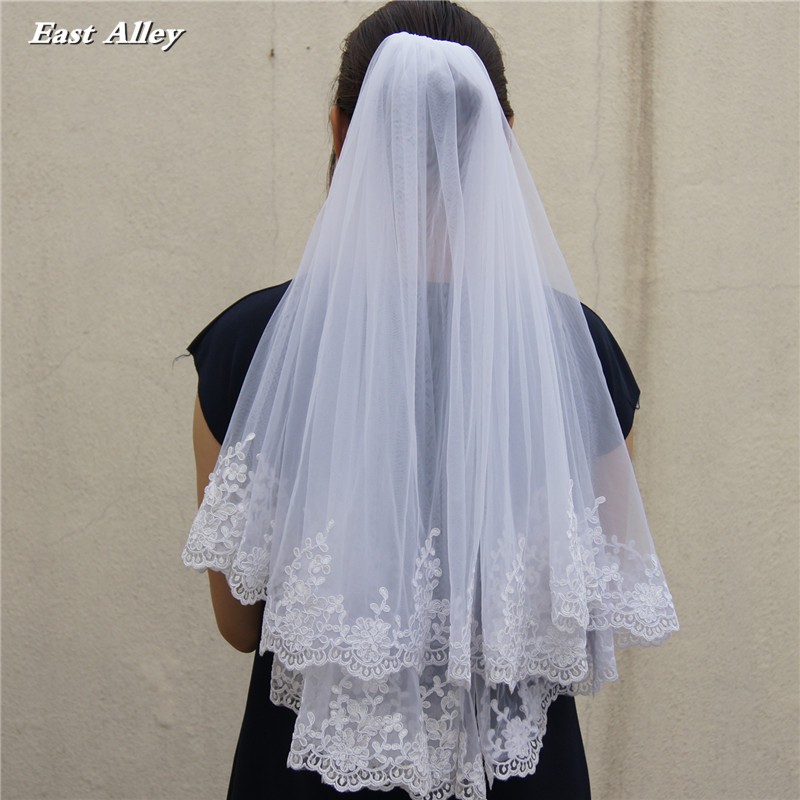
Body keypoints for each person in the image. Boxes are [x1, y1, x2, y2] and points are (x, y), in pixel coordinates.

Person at [183, 3, 678, 799]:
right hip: (518, 774)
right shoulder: (577, 352)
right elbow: (595, 616)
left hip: (308, 770)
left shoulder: (248, 343)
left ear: (341, 126)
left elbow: (240, 626)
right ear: (503, 134)